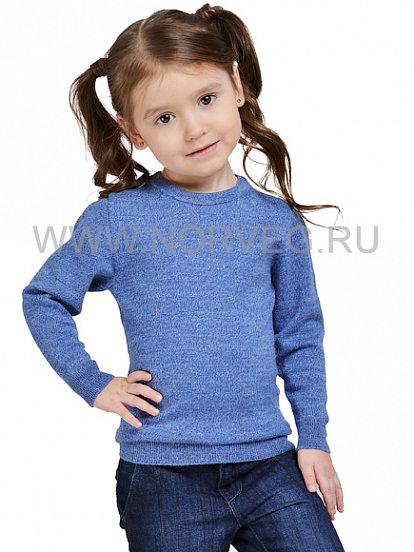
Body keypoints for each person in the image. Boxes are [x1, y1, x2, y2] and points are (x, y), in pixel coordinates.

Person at [22, 4, 346, 551]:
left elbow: (299, 336)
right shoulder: (118, 221)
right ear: (134, 131)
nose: (194, 128)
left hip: (269, 463)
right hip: (163, 475)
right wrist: (93, 383)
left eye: (206, 99)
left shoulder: (275, 224)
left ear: (236, 86)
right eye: (164, 117)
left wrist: (314, 439)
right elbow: (43, 298)